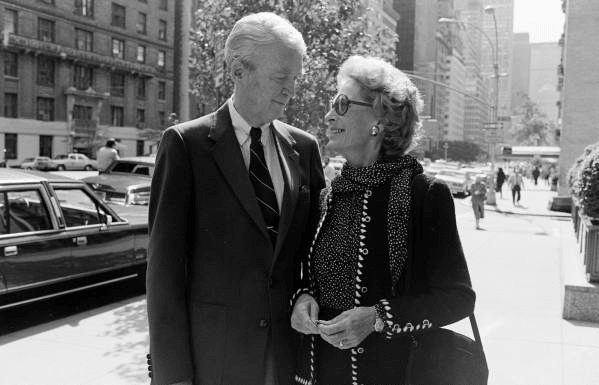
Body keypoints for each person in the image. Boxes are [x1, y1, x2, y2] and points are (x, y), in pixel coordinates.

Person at [146, 13, 325, 385]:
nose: (290, 89)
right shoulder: (184, 145)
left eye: (294, 78)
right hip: (212, 363)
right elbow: (164, 275)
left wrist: (309, 293)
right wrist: (173, 377)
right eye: (280, 77)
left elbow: (314, 251)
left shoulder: (304, 149)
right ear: (239, 70)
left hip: (287, 359)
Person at [291, 56, 475, 384]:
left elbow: (458, 298)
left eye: (342, 104)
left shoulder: (424, 195)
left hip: (393, 372)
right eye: (331, 104)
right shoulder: (328, 194)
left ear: (381, 118)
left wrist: (378, 317)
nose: (329, 115)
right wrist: (303, 298)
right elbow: (310, 277)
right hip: (319, 373)